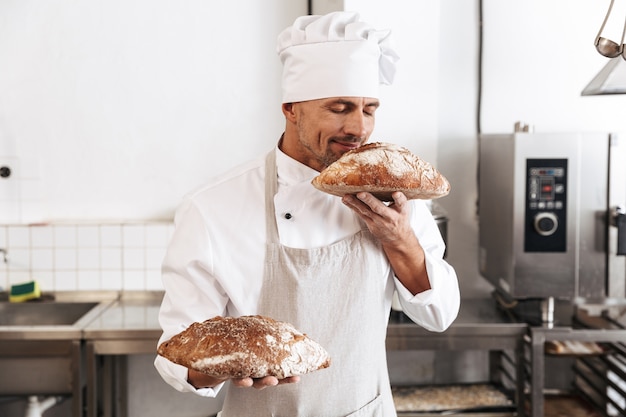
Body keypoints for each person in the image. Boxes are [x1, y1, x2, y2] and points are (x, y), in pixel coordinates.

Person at [155, 10, 460, 417]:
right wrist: (224, 367)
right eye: (339, 108)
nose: (359, 128)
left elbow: (439, 315)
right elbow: (178, 355)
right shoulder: (212, 207)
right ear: (291, 108)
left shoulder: (394, 197)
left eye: (369, 109)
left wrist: (400, 240)